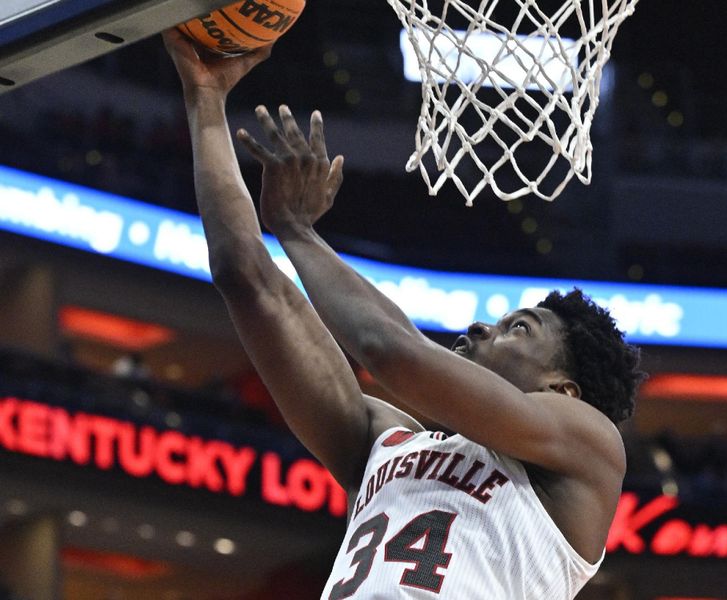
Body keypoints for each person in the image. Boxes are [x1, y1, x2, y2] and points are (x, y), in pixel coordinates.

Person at [162, 28, 645, 599]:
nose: (479, 328)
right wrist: (206, 101)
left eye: (519, 328)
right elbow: (245, 276)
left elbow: (390, 349)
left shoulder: (589, 448)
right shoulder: (383, 440)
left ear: (562, 391)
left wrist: (295, 231)